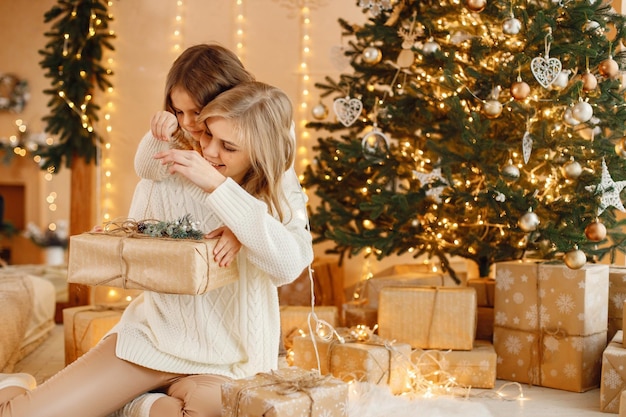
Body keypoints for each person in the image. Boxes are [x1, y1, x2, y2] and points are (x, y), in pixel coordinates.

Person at [0, 51, 313, 417]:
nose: (196, 132)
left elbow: (289, 265)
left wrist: (233, 208)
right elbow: (144, 227)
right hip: (152, 340)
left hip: (228, 359)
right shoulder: (169, 167)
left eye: (204, 119)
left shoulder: (274, 182)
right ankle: (15, 385)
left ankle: (135, 405)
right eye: (182, 114)